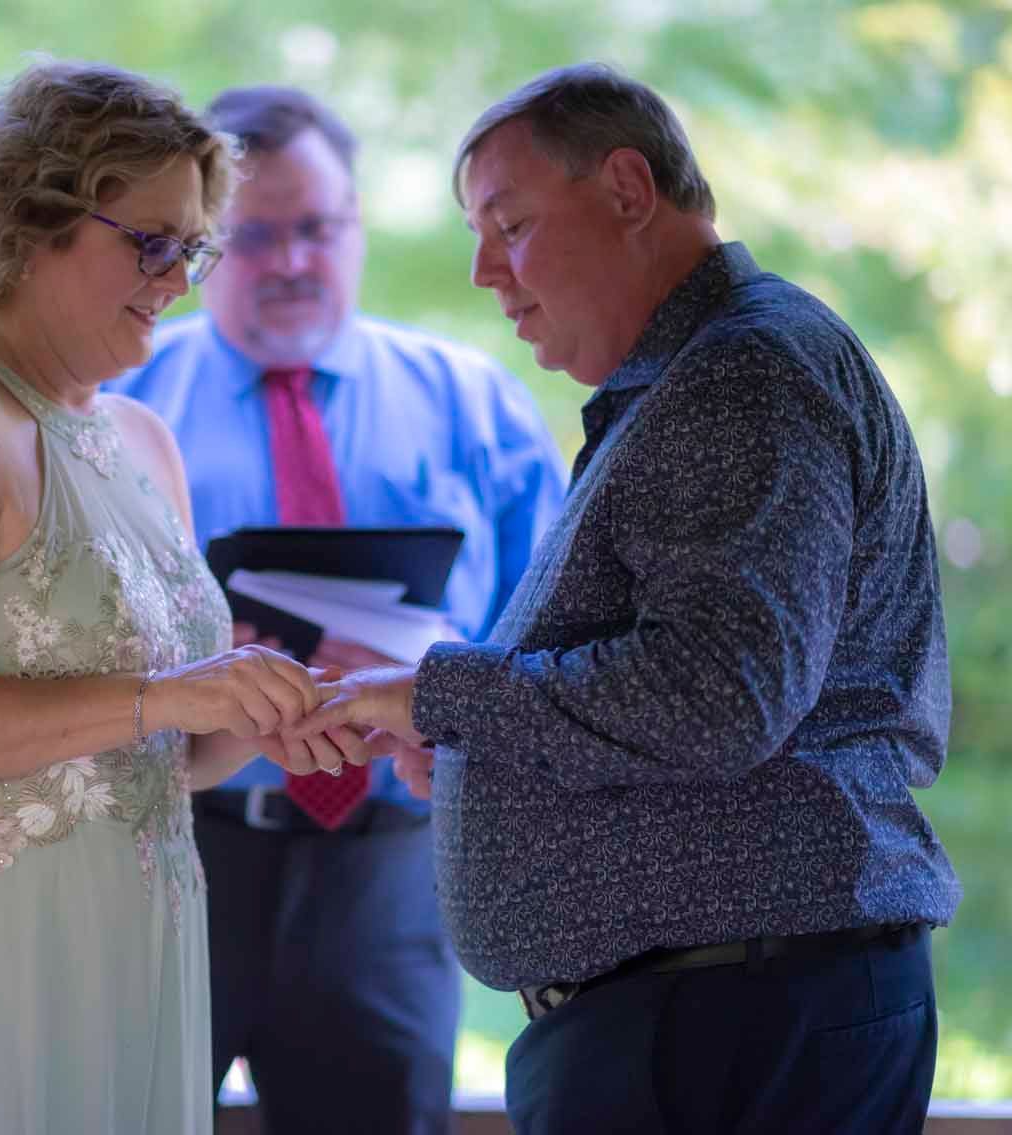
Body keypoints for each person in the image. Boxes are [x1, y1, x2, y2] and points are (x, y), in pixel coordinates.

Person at [297, 63, 962, 1134]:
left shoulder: (741, 374)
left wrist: (439, 696)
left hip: (727, 1022)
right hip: (716, 1014)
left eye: (506, 225)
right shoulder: (702, 371)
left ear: (623, 188)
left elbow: (712, 696)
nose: (481, 273)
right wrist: (476, 738)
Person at [0, 60, 352, 1135]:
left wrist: (263, 715)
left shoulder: (142, 440)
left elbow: (153, 756)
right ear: (30, 218)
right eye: (149, 243)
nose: (178, 279)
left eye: (190, 247)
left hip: (128, 941)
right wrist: (166, 694)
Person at [113, 86, 567, 1134]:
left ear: (355, 227)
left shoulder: (474, 404)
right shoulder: (124, 415)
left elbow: (556, 645)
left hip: (392, 862)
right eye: (253, 235)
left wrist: (434, 672)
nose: (289, 260)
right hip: (173, 847)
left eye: (316, 228)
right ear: (200, 247)